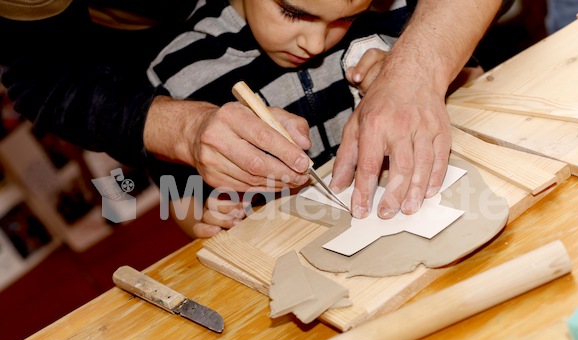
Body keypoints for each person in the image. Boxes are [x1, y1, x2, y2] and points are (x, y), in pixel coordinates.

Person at [0, 0, 509, 238]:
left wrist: (419, 69)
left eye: (345, 19)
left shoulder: (386, 14)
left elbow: (451, 59)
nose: (316, 43)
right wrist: (194, 208)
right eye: (294, 13)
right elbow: (181, 193)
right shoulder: (180, 71)